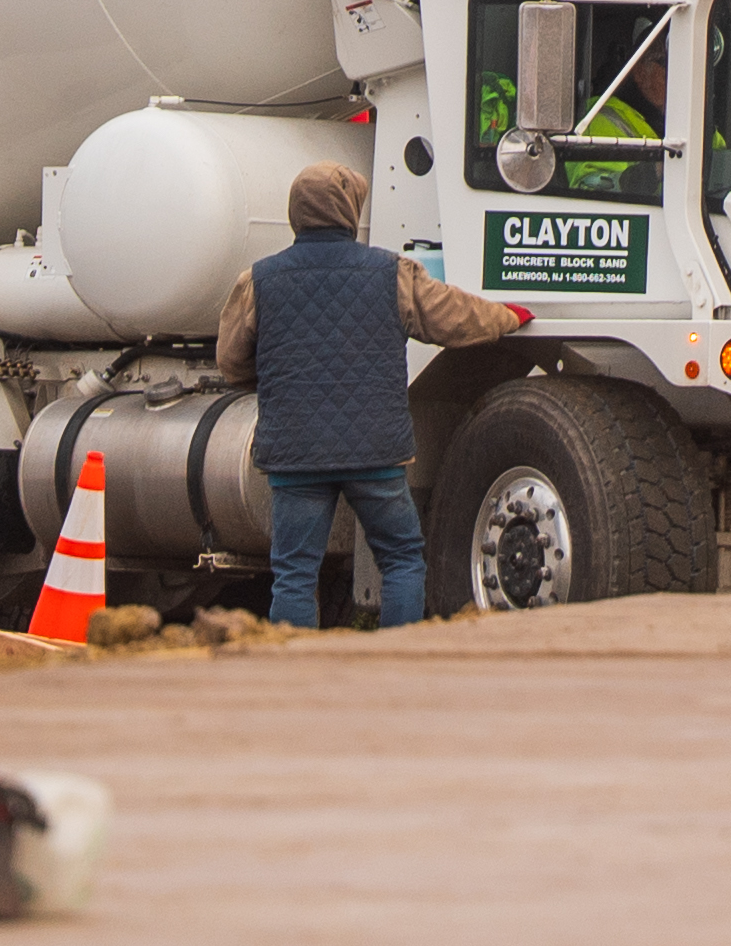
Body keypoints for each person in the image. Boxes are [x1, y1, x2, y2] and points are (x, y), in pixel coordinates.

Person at [211, 162, 529, 630]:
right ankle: (394, 657)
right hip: (375, 450)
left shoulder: (258, 280)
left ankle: (290, 665)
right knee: (401, 559)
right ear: (350, 208)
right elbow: (455, 318)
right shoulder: (393, 273)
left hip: (296, 451)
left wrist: (279, 381)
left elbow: (231, 361)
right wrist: (508, 316)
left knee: (294, 574)